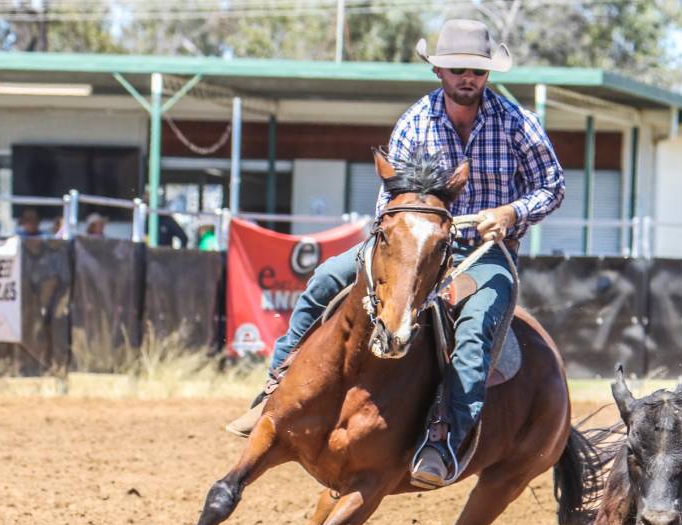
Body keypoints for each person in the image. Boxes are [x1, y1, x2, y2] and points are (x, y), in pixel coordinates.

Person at [226, 19, 565, 489]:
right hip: (410, 246)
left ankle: (444, 439)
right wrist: (402, 236)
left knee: (475, 331)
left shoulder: (517, 123)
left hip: (483, 253)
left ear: (488, 75)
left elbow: (552, 185)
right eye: (457, 69)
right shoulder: (415, 121)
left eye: (477, 71)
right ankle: (275, 389)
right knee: (324, 279)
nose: (468, 78)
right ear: (439, 72)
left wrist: (510, 212)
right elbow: (388, 201)